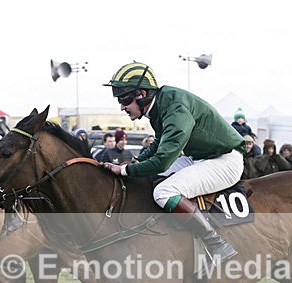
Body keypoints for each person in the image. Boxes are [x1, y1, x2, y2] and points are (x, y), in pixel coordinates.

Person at [101, 61, 243, 266]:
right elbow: (159, 142)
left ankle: (217, 243)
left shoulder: (175, 108)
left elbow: (162, 161)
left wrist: (126, 170)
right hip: (201, 157)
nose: (122, 106)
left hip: (224, 161)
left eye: (124, 99)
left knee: (163, 192)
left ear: (142, 94)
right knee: (148, 179)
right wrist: (137, 161)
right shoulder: (161, 103)